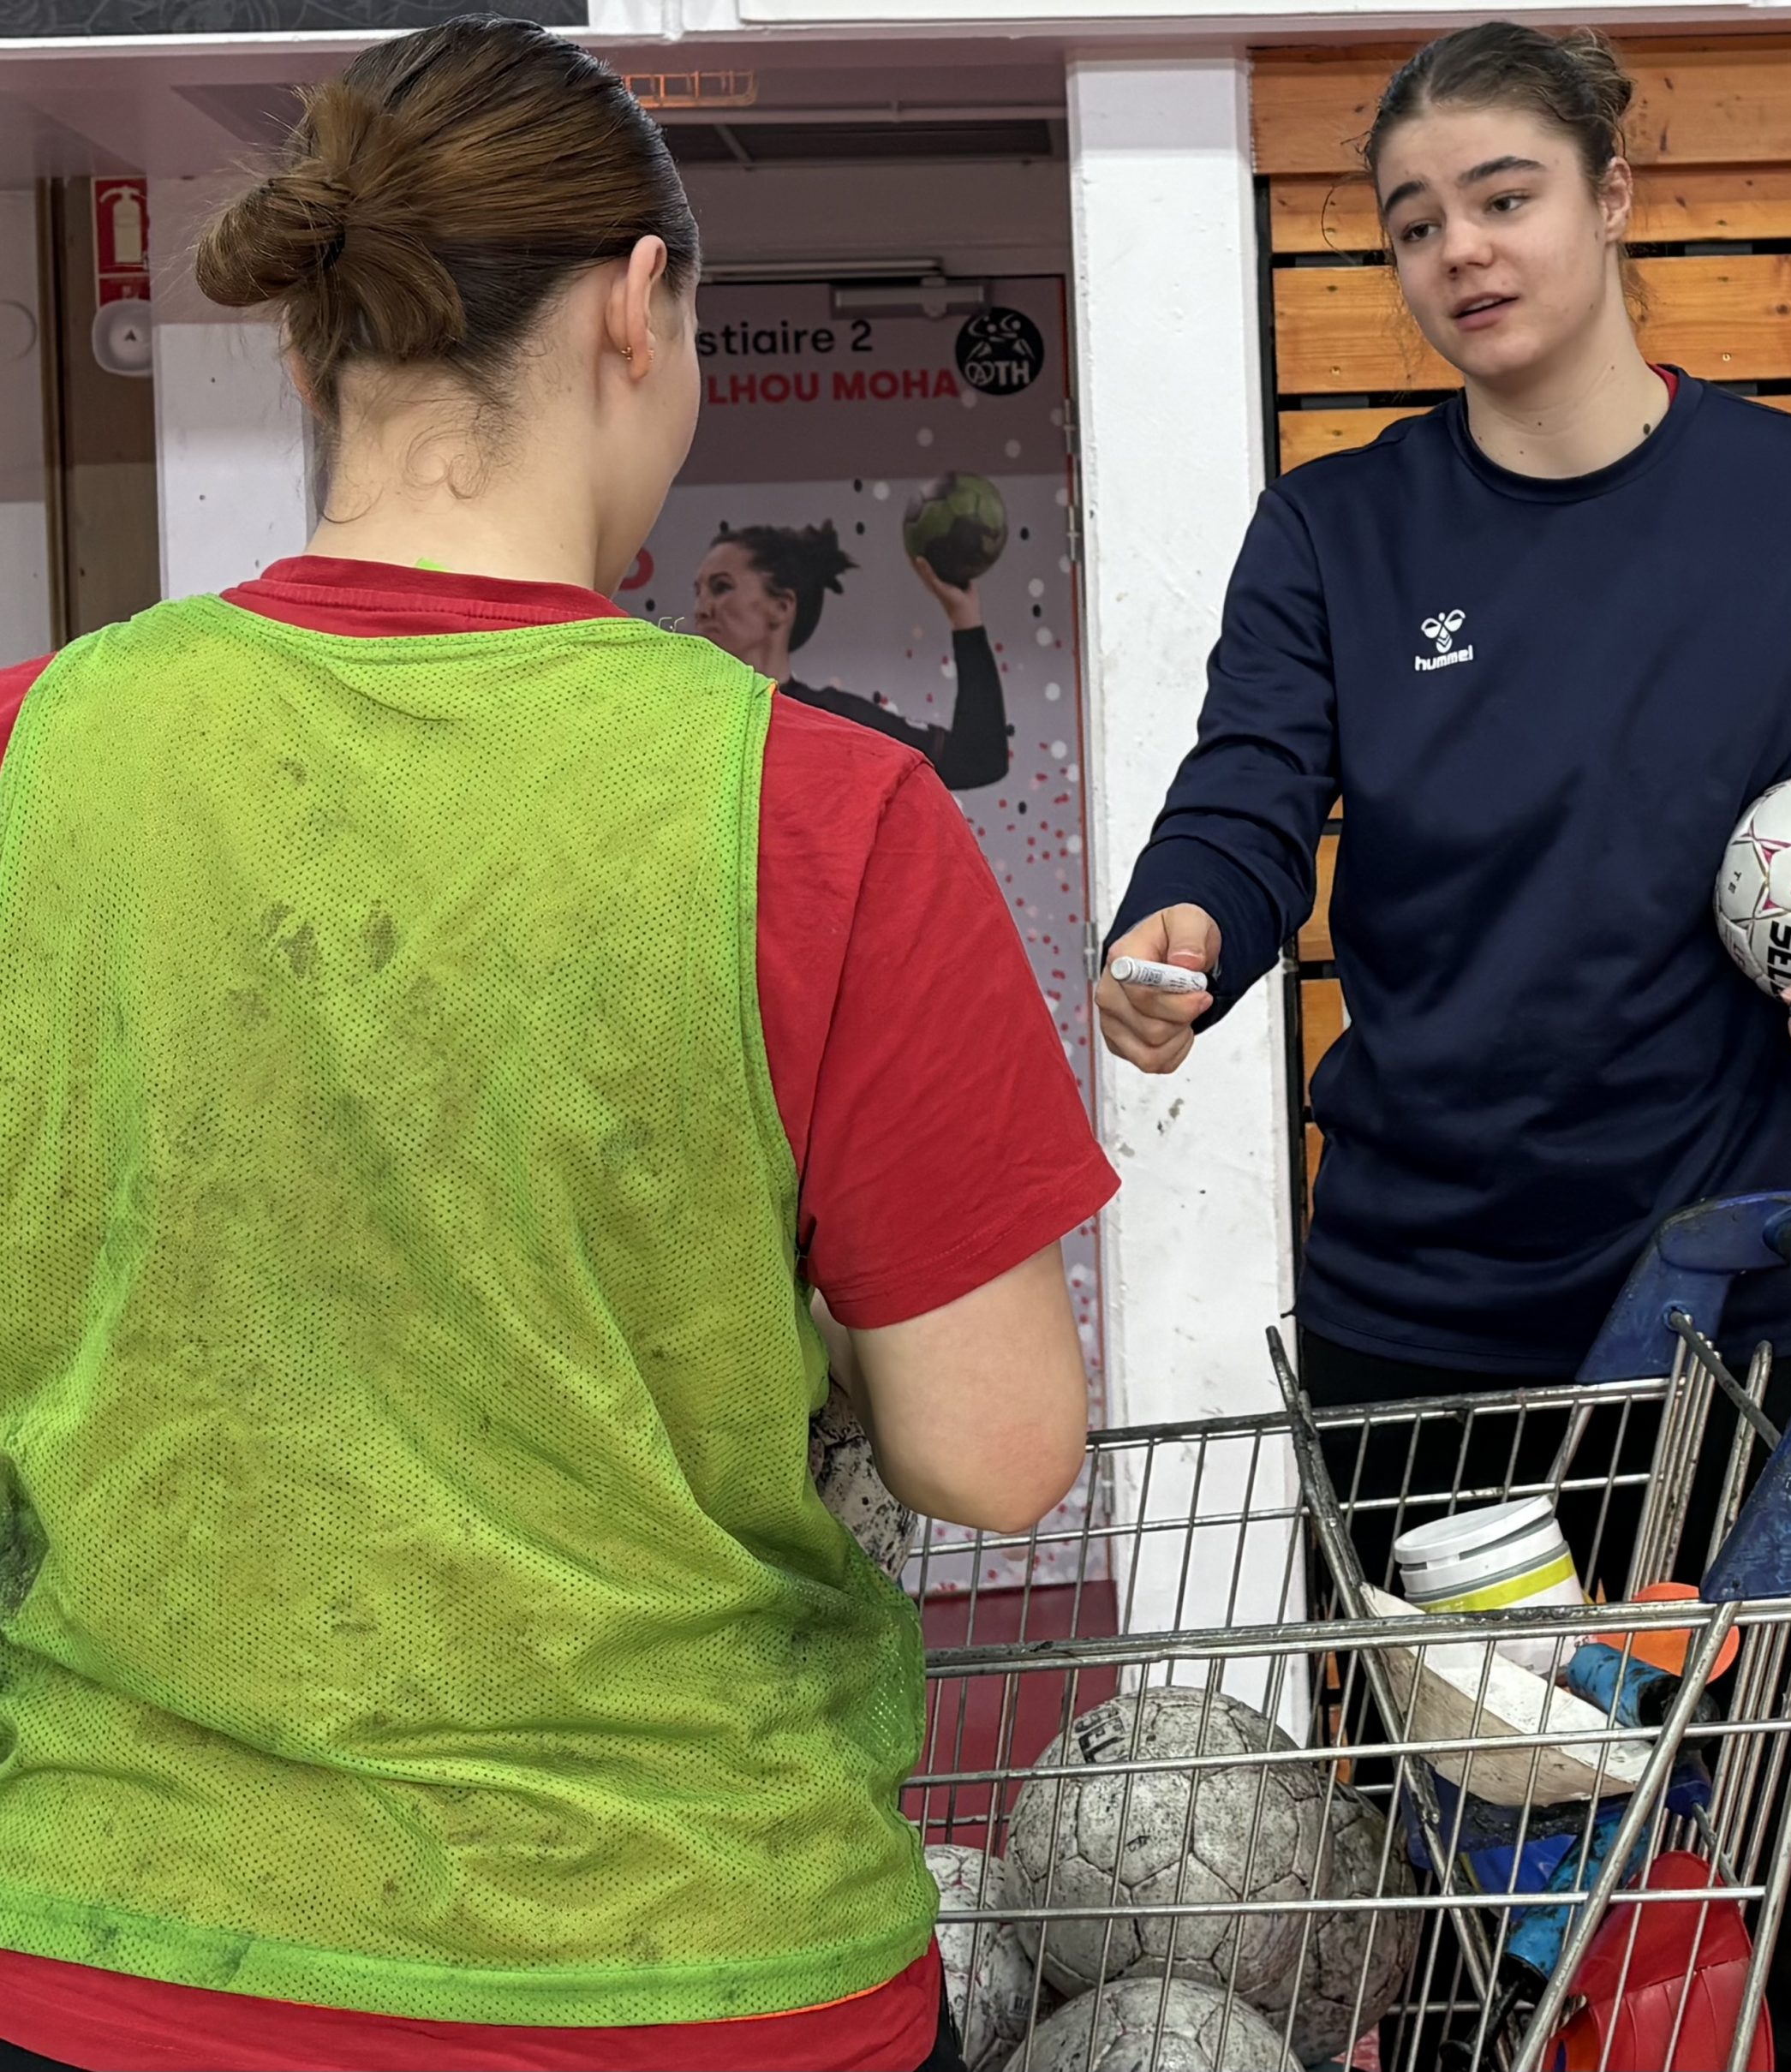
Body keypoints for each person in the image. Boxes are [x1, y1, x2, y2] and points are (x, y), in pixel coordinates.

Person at [0, 21, 1113, 2072]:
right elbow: (993, 1441)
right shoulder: (816, 815)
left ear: (323, 342)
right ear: (634, 308)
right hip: (683, 1967)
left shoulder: (32, 749)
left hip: (119, 1948)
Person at [1098, 23, 1791, 2072]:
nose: (1459, 248)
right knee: (1469, 1902)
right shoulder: (1335, 534)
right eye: (1411, 220)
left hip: (1740, 1322)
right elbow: (1249, 792)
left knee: (1761, 1859)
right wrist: (1184, 917)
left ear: (1612, 195)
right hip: (1428, 1316)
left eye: (1502, 195)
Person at [691, 522, 1012, 791]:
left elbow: (977, 760)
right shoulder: (681, 722)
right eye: (699, 592)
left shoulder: (838, 721)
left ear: (782, 607)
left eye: (721, 588)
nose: (701, 609)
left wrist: (964, 618)